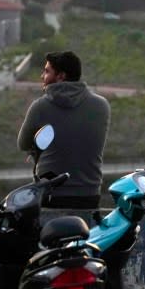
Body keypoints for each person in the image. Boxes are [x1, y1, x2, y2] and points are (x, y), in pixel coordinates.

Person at [17, 51, 110, 210]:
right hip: (89, 196)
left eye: (47, 71)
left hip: (51, 196)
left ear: (61, 76)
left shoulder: (40, 107)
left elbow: (23, 144)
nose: (42, 76)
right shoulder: (102, 106)